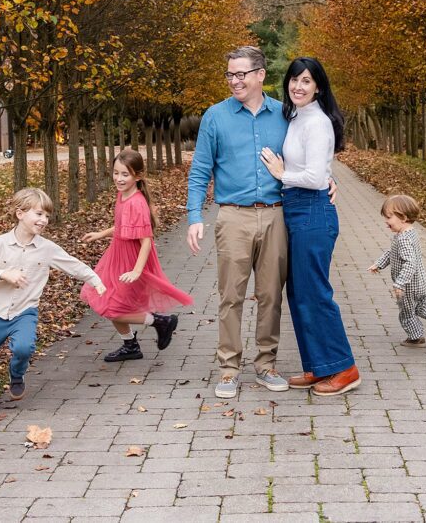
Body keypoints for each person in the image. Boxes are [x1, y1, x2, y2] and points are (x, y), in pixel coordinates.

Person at [186, 46, 292, 399]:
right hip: (233, 216)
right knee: (230, 295)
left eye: (241, 73)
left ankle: (266, 365)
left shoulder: (285, 113)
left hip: (277, 213)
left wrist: (329, 180)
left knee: (270, 295)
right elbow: (200, 169)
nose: (234, 80)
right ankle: (229, 369)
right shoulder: (215, 117)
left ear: (260, 74)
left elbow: (306, 155)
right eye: (230, 74)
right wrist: (194, 216)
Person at [260, 57, 360, 396]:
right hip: (297, 208)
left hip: (312, 212)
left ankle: (344, 368)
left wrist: (281, 174)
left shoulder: (317, 122)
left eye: (306, 81)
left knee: (314, 292)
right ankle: (320, 367)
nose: (298, 86)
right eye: (294, 80)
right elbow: (320, 171)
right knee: (299, 292)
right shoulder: (296, 117)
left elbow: (316, 178)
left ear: (318, 86)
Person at [0, 188, 106, 402]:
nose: (44, 220)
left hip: (24, 312)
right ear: (20, 214)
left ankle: (17, 374)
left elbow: (72, 265)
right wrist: (3, 274)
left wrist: (95, 280)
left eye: (47, 215)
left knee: (24, 347)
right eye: (38, 214)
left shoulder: (47, 249)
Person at [80, 150, 192, 362]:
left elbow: (146, 241)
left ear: (137, 176)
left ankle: (159, 321)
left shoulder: (137, 203)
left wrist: (137, 271)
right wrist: (100, 235)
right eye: (116, 173)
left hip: (132, 261)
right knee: (107, 301)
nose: (119, 179)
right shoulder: (123, 195)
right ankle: (130, 345)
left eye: (125, 174)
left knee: (112, 308)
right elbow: (122, 226)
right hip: (116, 256)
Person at [369, 194, 426, 347]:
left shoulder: (403, 239)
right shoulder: (410, 233)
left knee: (406, 313)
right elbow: (392, 252)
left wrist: (399, 284)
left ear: (403, 217)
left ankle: (415, 338)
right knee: (422, 306)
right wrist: (379, 264)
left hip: (408, 287)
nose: (386, 221)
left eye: (389, 217)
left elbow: (410, 262)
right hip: (421, 283)